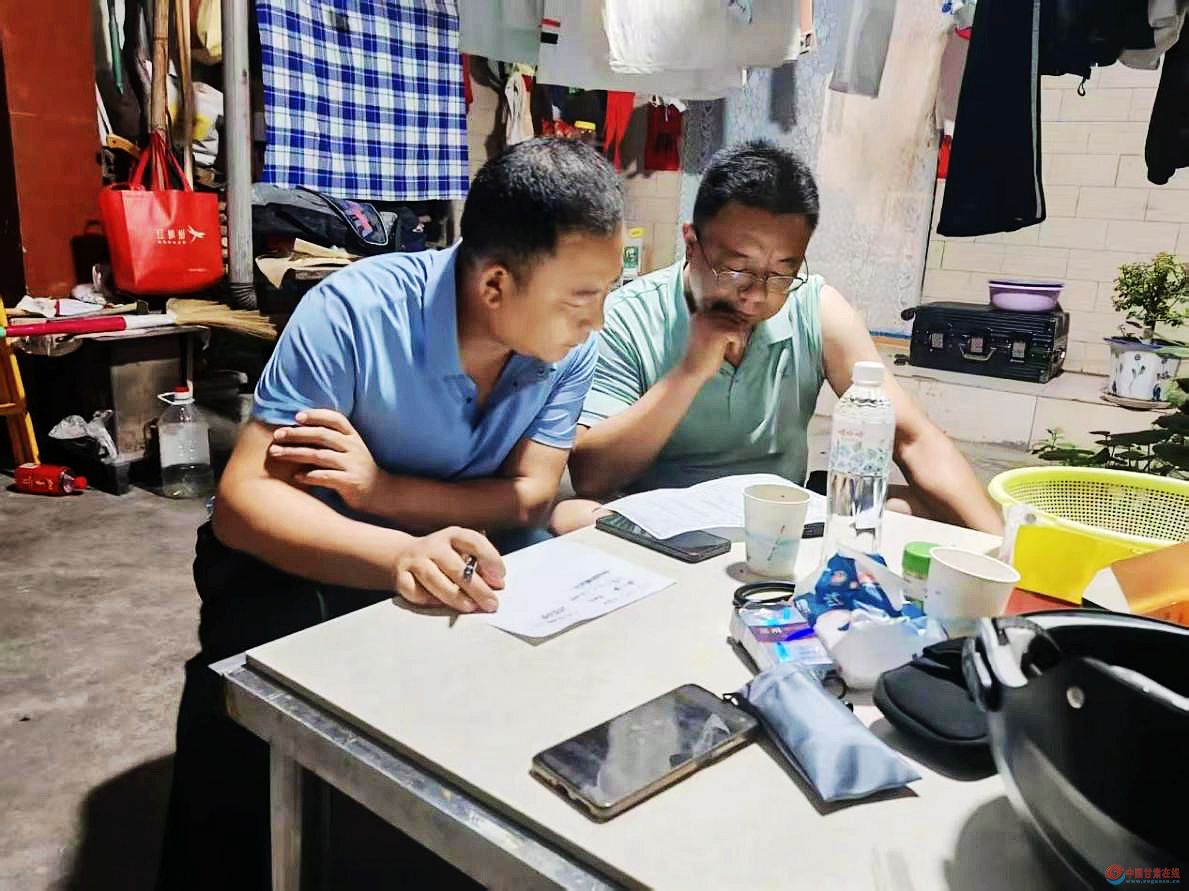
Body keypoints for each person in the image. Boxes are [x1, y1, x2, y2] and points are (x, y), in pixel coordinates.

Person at [156, 137, 625, 889]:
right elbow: (245, 504)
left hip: (457, 549)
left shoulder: (565, 348)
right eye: (581, 297)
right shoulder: (354, 312)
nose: (596, 320)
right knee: (256, 716)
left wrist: (382, 493)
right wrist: (397, 554)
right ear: (496, 284)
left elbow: (533, 492)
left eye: (606, 291)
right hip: (311, 554)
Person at [559, 140, 1002, 535]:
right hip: (664, 527)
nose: (756, 295)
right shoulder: (629, 316)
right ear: (691, 244)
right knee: (573, 515)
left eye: (781, 274)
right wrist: (688, 374)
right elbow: (592, 475)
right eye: (737, 270)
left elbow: (913, 439)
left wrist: (1002, 553)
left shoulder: (816, 308)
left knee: (925, 508)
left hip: (782, 521)